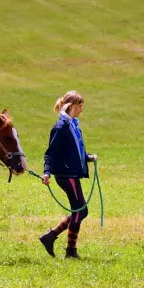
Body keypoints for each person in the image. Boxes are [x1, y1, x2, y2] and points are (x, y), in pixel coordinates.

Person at [38, 90, 97, 259]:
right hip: (66, 175)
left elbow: (74, 151)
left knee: (80, 210)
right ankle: (70, 250)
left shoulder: (72, 125)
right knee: (80, 210)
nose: (82, 110)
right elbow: (51, 152)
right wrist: (47, 172)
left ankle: (51, 237)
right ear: (72, 106)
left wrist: (87, 157)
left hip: (72, 173)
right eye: (80, 106)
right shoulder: (61, 127)